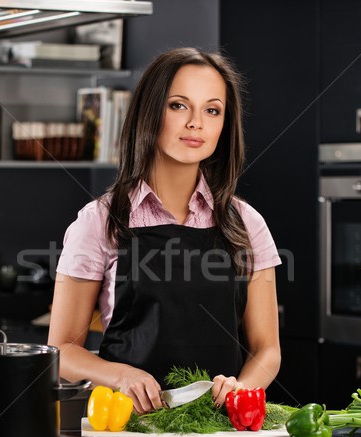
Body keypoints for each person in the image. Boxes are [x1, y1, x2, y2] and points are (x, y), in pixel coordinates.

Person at [48, 47, 281, 414]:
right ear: (150, 111)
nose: (195, 123)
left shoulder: (246, 223)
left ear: (224, 124)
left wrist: (241, 388)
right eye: (178, 105)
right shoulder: (99, 221)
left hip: (220, 431)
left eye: (212, 110)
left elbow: (267, 349)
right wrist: (121, 375)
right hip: (128, 428)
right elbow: (62, 349)